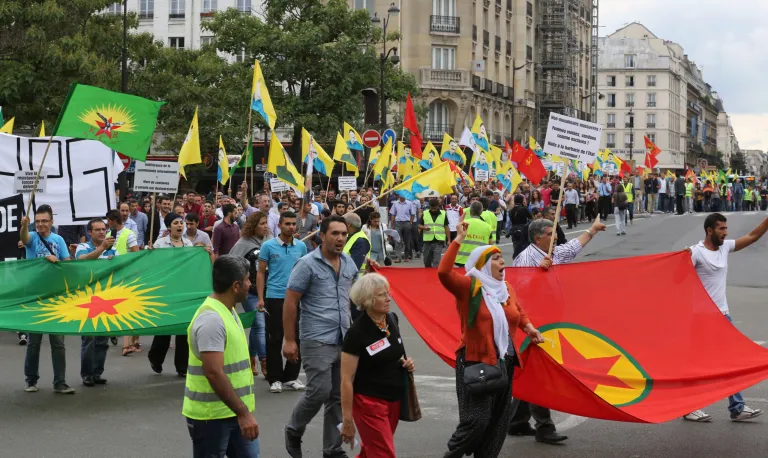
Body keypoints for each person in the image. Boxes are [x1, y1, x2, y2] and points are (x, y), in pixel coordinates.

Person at [439, 216, 544, 458]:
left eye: (501, 257)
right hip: (476, 360)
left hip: (504, 361)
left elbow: (518, 311)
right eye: (495, 258)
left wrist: (529, 327)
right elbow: (444, 273)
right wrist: (457, 240)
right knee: (476, 420)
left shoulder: (505, 288)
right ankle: (453, 454)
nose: (502, 261)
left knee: (498, 423)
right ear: (483, 264)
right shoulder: (469, 287)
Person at [508, 217, 606, 442]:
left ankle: (517, 421)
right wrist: (537, 275)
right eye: (551, 233)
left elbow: (572, 247)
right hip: (533, 323)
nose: (556, 236)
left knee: (530, 370)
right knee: (540, 373)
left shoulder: (552, 253)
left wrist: (592, 230)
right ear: (538, 238)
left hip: (552, 319)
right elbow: (518, 293)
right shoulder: (525, 259)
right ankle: (544, 427)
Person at [283, 216, 359, 458]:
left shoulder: (349, 264)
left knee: (338, 395)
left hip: (344, 338)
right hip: (316, 338)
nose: (340, 239)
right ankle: (294, 430)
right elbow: (291, 301)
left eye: (344, 234)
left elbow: (356, 299)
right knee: (319, 390)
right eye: (335, 234)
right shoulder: (306, 264)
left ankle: (332, 450)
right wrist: (289, 339)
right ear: (322, 235)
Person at [682, 213, 768, 422]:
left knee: (731, 363)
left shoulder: (725, 247)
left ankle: (737, 408)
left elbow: (752, 236)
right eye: (721, 228)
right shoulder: (696, 253)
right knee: (698, 365)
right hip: (702, 318)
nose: (725, 232)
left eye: (726, 228)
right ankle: (690, 407)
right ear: (709, 231)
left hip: (723, 317)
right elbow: (677, 277)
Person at [183, 255, 260, 457]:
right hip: (212, 417)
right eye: (247, 279)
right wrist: (243, 413)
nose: (250, 284)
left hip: (232, 411)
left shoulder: (228, 310)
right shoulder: (212, 320)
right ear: (236, 286)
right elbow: (214, 372)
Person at [340, 274, 416, 457]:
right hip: (369, 404)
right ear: (367, 300)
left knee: (371, 450)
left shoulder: (391, 319)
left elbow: (390, 354)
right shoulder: (356, 333)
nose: (388, 298)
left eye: (387, 293)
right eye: (382, 295)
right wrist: (347, 420)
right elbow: (346, 379)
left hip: (394, 400)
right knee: (383, 453)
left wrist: (405, 363)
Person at [20, 205, 75, 394]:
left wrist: (56, 261)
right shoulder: (33, 237)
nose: (41, 224)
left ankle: (60, 382)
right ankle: (31, 380)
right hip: (36, 297)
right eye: (38, 221)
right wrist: (24, 226)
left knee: (58, 343)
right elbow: (24, 238)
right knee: (34, 342)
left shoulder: (59, 239)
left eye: (45, 221)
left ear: (52, 222)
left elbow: (67, 265)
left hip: (56, 298)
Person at [258, 211, 307, 394]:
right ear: (279, 226)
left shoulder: (301, 246)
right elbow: (261, 273)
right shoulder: (268, 246)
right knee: (274, 338)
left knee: (297, 337)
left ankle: (291, 377)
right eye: (287, 224)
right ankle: (275, 378)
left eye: (294, 224)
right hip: (275, 297)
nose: (291, 227)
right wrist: (261, 298)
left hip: (297, 298)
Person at [148, 213, 192, 377]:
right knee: (164, 329)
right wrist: (149, 252)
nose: (180, 226)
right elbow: (153, 265)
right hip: (166, 291)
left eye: (182, 223)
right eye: (176, 223)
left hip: (184, 291)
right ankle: (155, 358)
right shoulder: (160, 244)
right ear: (168, 226)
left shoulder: (188, 244)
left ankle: (182, 367)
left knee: (183, 331)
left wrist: (205, 252)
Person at [230, 212, 271, 378]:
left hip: (267, 289)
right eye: (261, 223)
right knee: (259, 324)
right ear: (253, 225)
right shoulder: (243, 243)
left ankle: (251, 358)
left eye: (266, 223)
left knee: (257, 325)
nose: (265, 226)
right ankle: (265, 361)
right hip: (249, 291)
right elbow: (232, 263)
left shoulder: (269, 241)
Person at [454, 202, 493, 267]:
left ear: (470, 211)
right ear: (481, 212)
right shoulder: (488, 227)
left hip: (462, 260)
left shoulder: (463, 224)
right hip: (479, 261)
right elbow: (490, 245)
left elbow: (456, 241)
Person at [418, 198, 449, 268]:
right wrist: (424, 228)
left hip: (439, 241)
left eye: (435, 208)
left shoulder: (443, 214)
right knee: (427, 262)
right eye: (432, 208)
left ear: (438, 206)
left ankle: (435, 277)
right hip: (427, 242)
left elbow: (446, 227)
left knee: (436, 262)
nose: (433, 210)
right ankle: (427, 277)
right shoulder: (425, 213)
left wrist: (449, 240)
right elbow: (419, 225)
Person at [343, 213, 371, 278]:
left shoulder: (361, 241)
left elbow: (354, 266)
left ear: (348, 224)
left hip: (356, 280)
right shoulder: (349, 235)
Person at [390, 195, 415, 262]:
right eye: (400, 194)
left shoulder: (409, 203)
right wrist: (392, 224)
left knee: (407, 241)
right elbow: (393, 214)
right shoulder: (395, 203)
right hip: (397, 223)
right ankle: (398, 257)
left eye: (403, 194)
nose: (402, 196)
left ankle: (406, 257)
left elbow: (413, 214)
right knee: (398, 240)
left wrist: (410, 223)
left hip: (407, 222)